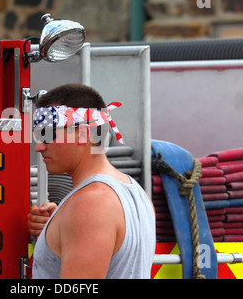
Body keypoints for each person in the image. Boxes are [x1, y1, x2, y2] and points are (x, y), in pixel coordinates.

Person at [27, 84, 156, 279]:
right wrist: (58, 226)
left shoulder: (90, 204)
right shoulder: (137, 193)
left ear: (83, 134)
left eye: (47, 135)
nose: (39, 147)